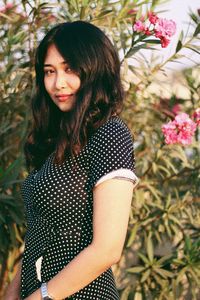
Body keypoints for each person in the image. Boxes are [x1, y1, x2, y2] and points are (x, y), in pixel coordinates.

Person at [4, 20, 139, 300]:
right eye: (49, 72)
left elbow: (108, 248)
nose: (57, 83)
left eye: (70, 69)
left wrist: (40, 297)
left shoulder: (110, 134)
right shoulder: (54, 141)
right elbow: (39, 233)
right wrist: (13, 291)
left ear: (95, 70)